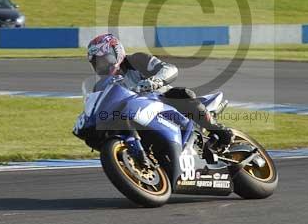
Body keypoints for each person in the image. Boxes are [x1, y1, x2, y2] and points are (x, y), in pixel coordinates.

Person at [86, 33, 234, 151]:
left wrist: (154, 81)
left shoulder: (136, 60)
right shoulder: (101, 86)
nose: (102, 66)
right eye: (97, 63)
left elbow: (169, 69)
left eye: (105, 60)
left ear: (116, 53)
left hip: (162, 101)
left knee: (182, 95)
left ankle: (219, 130)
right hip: (134, 116)